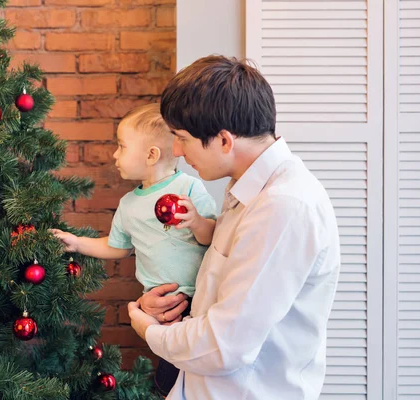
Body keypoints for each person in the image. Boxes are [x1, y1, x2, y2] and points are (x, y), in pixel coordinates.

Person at [128, 56, 341, 400]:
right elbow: (226, 301)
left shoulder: (282, 206)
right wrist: (172, 314)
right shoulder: (248, 188)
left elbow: (225, 345)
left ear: (225, 141)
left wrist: (150, 332)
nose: (177, 151)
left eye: (182, 138)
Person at [49, 103, 217, 396]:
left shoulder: (188, 189)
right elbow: (117, 248)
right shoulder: (129, 204)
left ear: (151, 155)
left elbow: (212, 237)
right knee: (171, 378)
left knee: (189, 377)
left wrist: (196, 221)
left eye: (121, 146)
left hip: (198, 301)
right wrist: (76, 243)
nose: (115, 154)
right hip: (160, 305)